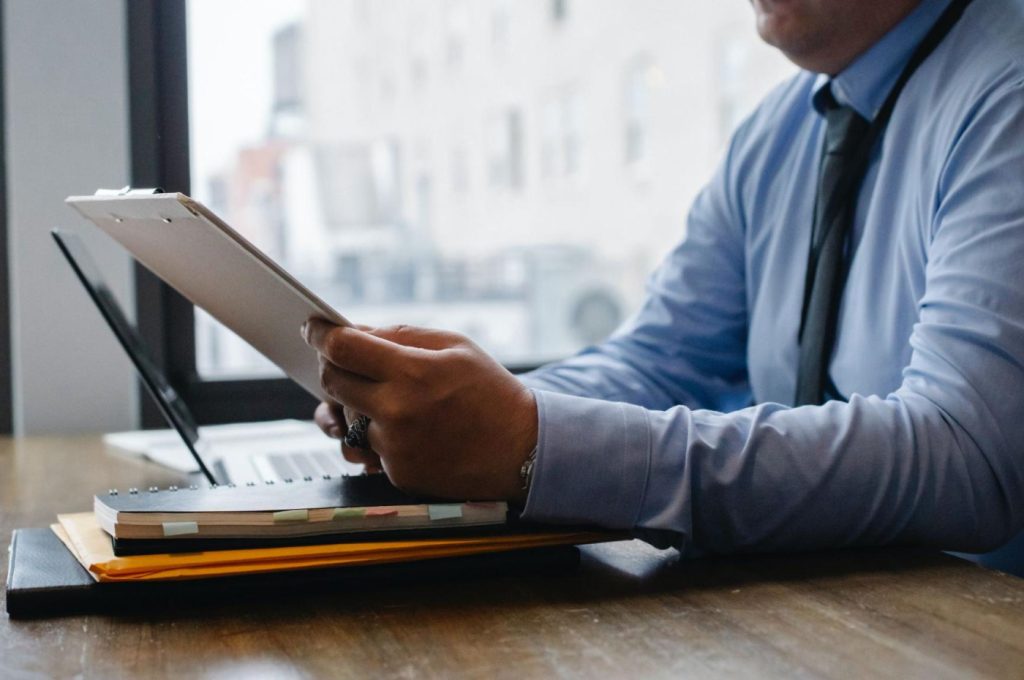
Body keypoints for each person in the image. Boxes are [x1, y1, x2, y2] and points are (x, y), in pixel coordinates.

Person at [303, 0, 1024, 557]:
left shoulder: (1007, 89)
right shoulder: (777, 135)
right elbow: (660, 360)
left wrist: (532, 442)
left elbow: (969, 458)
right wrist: (437, 409)